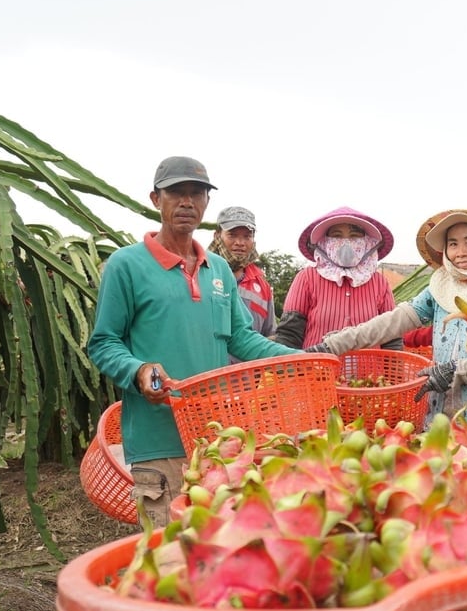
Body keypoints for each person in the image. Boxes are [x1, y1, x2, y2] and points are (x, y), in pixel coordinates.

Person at [87, 156, 300, 528]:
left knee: (214, 551)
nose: (187, 202)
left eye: (196, 194)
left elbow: (243, 339)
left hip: (215, 442)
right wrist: (138, 370)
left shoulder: (217, 270)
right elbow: (103, 342)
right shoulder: (127, 265)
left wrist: (297, 359)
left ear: (206, 204)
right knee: (169, 556)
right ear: (156, 199)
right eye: (176, 193)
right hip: (158, 442)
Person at [307, 210, 467, 439]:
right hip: (440, 418)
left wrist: (457, 370)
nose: (460, 252)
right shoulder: (439, 288)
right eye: (453, 244)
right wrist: (333, 345)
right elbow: (394, 321)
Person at [273, 206, 401, 351]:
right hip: (317, 370)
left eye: (354, 235)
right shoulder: (306, 278)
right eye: (337, 235)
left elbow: (392, 337)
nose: (346, 242)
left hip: (370, 372)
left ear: (367, 242)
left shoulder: (379, 283)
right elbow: (289, 333)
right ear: (325, 242)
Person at [207, 206, 277, 363]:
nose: (240, 243)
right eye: (232, 235)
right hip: (207, 377)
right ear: (217, 235)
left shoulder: (262, 284)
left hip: (249, 381)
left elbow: (270, 334)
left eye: (247, 236)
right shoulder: (200, 272)